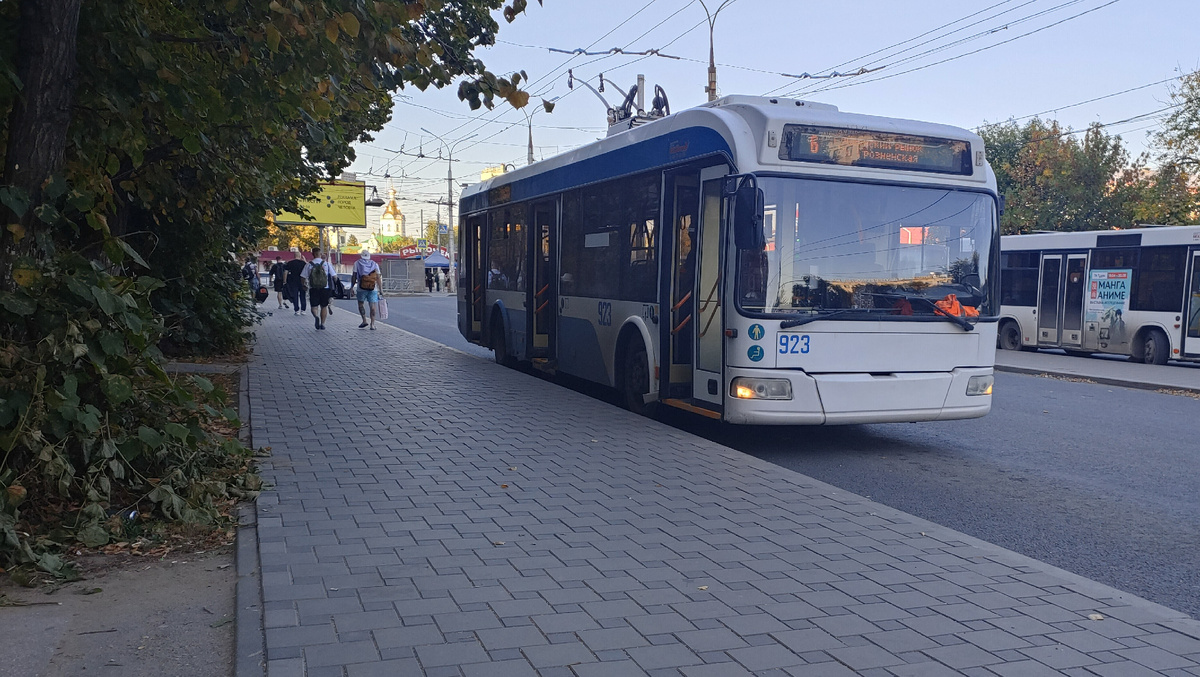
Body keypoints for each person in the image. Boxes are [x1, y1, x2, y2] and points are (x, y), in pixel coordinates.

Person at [301, 247, 336, 330]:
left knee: (314, 306)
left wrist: (303, 285)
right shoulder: (327, 264)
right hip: (325, 288)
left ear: (313, 254)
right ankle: (323, 324)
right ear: (321, 254)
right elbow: (335, 276)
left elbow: (302, 277)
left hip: (313, 288)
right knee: (324, 306)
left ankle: (316, 316)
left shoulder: (309, 264)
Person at [352, 250, 382, 330]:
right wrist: (381, 289)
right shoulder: (374, 264)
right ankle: (372, 324)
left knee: (361, 304)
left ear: (361, 256)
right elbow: (378, 277)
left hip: (361, 287)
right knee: (372, 306)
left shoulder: (357, 263)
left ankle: (364, 320)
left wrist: (351, 287)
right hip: (373, 288)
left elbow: (354, 276)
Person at [284, 252, 307, 316]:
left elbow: (285, 272)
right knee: (303, 296)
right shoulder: (303, 263)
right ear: (300, 256)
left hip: (293, 282)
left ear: (294, 256)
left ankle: (296, 310)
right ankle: (303, 310)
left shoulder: (290, 263)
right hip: (302, 281)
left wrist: (284, 281)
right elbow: (308, 270)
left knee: (295, 296)